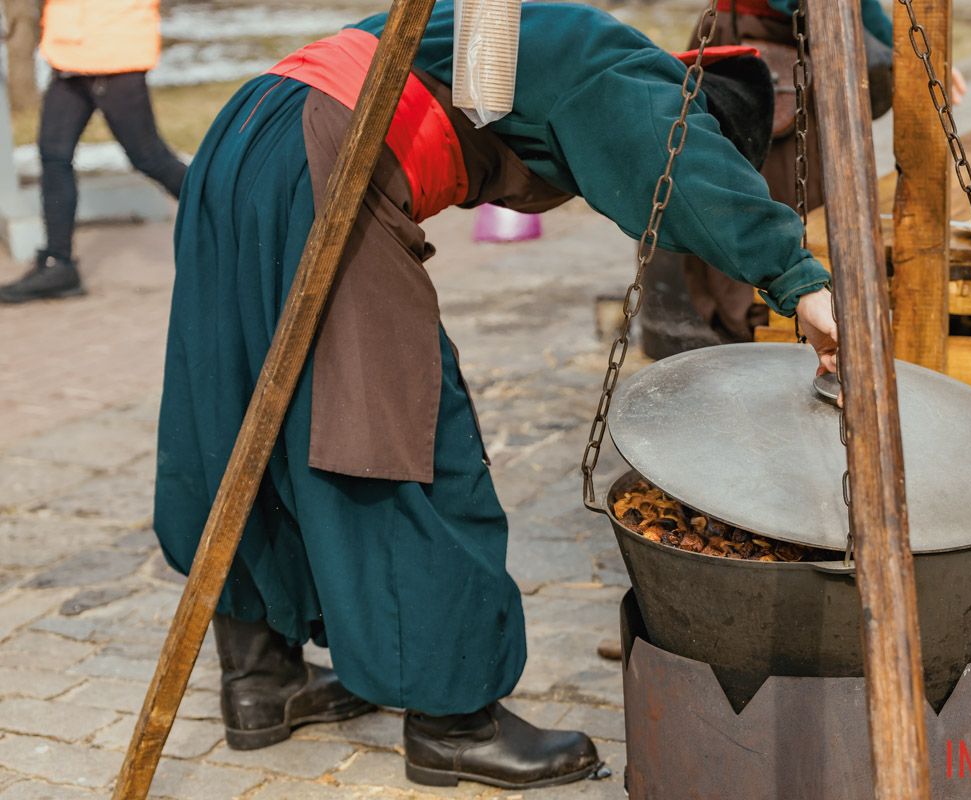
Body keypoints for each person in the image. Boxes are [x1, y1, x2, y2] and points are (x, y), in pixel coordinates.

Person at [153, 0, 837, 790]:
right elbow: (670, 150)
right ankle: (456, 722)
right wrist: (798, 280)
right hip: (329, 148)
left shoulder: (543, 38)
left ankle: (260, 678)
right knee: (401, 428)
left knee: (245, 411)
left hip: (247, 137)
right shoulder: (627, 72)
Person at [665, 0, 966, 350]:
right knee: (756, 199)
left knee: (814, 206)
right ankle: (761, 337)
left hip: (811, 44)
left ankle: (804, 328)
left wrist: (910, 51)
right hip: (760, 42)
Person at [0, 0, 187, 304]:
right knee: (54, 154)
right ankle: (58, 264)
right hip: (72, 52)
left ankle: (237, 217)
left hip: (111, 51)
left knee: (149, 157)